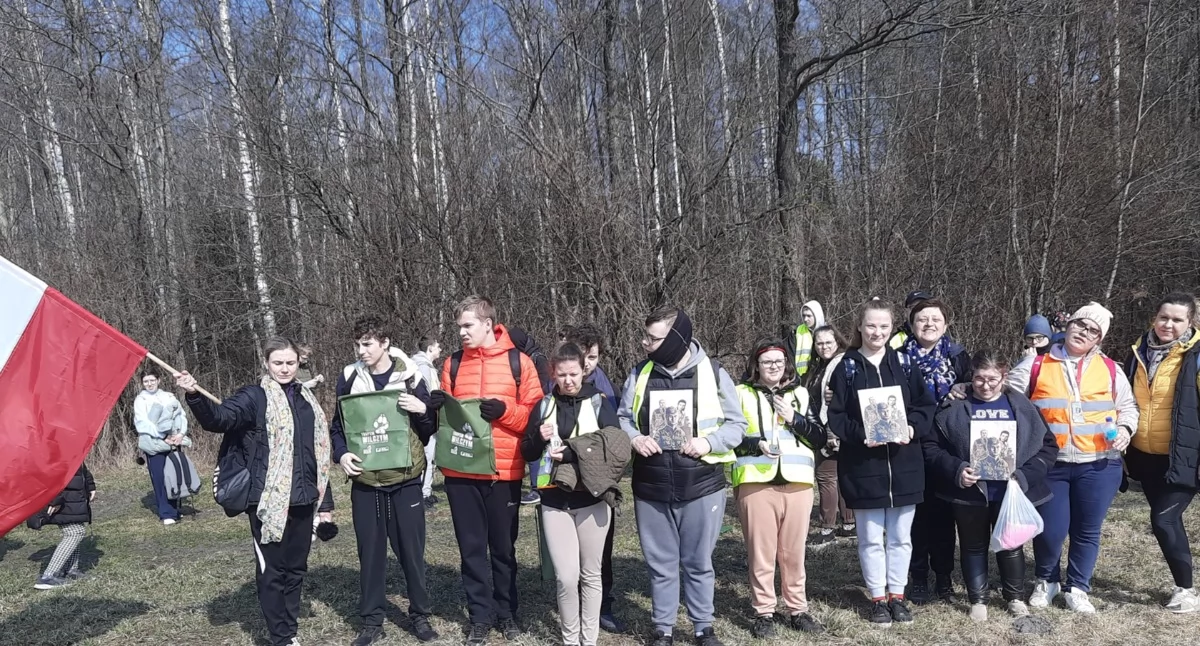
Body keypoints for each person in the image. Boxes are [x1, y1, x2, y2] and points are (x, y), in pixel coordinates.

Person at [178, 337, 335, 646]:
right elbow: (219, 420)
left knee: (296, 569)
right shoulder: (254, 397)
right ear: (266, 363)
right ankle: (281, 637)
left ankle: (289, 628)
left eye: (290, 363)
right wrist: (194, 394)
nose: (285, 368)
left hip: (304, 497)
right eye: (278, 363)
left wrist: (324, 500)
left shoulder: (307, 400)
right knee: (272, 571)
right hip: (267, 502)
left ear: (298, 363)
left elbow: (318, 453)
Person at [617, 307, 747, 646]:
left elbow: (737, 425)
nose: (646, 344)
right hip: (651, 486)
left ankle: (703, 627)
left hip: (702, 485)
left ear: (676, 339)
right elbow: (623, 418)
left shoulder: (714, 373)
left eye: (653, 338)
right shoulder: (640, 374)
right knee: (661, 563)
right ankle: (663, 629)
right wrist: (635, 438)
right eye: (645, 337)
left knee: (698, 562)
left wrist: (708, 442)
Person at [998, 302, 1138, 613]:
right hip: (1051, 464)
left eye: (1093, 331)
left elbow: (1128, 407)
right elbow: (1003, 395)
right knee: (1051, 528)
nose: (1084, 333)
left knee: (1087, 530)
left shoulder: (1111, 369)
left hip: (1100, 464)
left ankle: (1077, 587)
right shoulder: (1036, 365)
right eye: (1080, 325)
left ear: (1099, 338)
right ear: (1068, 326)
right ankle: (1046, 580)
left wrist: (1127, 428)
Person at [426, 296, 542, 646]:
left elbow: (536, 418)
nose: (461, 332)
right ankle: (480, 617)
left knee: (503, 549)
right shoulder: (453, 364)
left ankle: (507, 613)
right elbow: (446, 421)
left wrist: (505, 411)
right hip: (461, 473)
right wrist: (435, 409)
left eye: (468, 326)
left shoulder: (519, 362)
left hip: (503, 472)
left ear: (488, 324)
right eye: (458, 326)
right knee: (471, 549)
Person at [924, 350, 1058, 621]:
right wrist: (957, 470)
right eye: (979, 379)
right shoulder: (954, 407)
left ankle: (1015, 597)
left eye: (992, 379)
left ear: (1004, 377)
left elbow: (1048, 447)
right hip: (970, 493)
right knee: (973, 545)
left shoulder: (1022, 406)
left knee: (1011, 545)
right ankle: (978, 599)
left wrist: (1025, 476)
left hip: (1010, 492)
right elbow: (931, 447)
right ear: (970, 377)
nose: (985, 385)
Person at [827, 298, 937, 626]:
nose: (877, 332)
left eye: (884, 326)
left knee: (902, 536)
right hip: (864, 467)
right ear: (859, 327)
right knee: (871, 538)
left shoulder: (904, 363)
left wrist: (911, 428)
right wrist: (862, 435)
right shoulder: (845, 367)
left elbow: (924, 406)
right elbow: (836, 417)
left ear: (892, 328)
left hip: (905, 465)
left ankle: (897, 597)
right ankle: (877, 597)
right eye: (871, 325)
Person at [331, 317, 439, 645]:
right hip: (366, 483)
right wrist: (342, 455)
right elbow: (338, 427)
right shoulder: (349, 378)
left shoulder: (410, 376)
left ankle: (420, 616)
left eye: (368, 344)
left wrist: (422, 409)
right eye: (357, 344)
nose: (361, 351)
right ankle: (371, 621)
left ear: (385, 343)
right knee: (371, 553)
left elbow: (429, 428)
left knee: (411, 552)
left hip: (405, 479)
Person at [519, 342, 622, 646]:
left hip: (592, 498)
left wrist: (574, 454)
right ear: (553, 373)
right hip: (554, 500)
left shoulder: (600, 404)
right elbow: (526, 452)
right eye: (561, 375)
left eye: (573, 374)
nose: (568, 380)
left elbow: (617, 451)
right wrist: (538, 437)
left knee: (591, 574)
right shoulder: (543, 405)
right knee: (566, 577)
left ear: (583, 370)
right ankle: (569, 639)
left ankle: (588, 640)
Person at [733, 338, 827, 638]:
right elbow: (729, 438)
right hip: (756, 482)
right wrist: (754, 444)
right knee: (761, 552)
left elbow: (818, 438)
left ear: (787, 364)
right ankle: (764, 611)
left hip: (797, 482)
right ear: (755, 366)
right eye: (766, 362)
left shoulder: (799, 393)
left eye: (779, 361)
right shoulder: (740, 394)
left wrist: (794, 418)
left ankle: (797, 609)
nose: (773, 367)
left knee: (793, 552)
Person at [1124, 292, 1200, 613]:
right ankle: (1181, 584)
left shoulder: (1196, 356)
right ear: (1154, 317)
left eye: (1177, 319)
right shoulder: (1137, 352)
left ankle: (1187, 591)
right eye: (1164, 317)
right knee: (1166, 523)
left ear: (1190, 322)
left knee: (1163, 519)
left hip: (1184, 457)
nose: (1168, 324)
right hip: (1145, 456)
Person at [900, 298, 970, 603]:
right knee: (915, 516)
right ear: (912, 325)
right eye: (922, 320)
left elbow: (977, 390)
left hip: (946, 445)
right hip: (910, 444)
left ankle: (944, 577)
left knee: (943, 516)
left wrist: (965, 387)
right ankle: (917, 576)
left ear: (945, 324)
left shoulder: (958, 356)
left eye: (935, 319)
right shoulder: (898, 357)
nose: (929, 325)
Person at [560, 323, 624, 632]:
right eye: (582, 355)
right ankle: (570, 603)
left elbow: (614, 440)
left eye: (593, 357)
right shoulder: (556, 387)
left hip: (597, 482)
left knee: (601, 549)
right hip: (564, 482)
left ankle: (603, 606)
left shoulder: (605, 390)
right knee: (568, 554)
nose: (586, 364)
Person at [803, 325, 855, 546]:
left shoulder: (839, 364)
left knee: (826, 477)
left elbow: (838, 401)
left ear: (838, 342)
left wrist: (832, 432)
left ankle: (827, 529)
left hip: (832, 429)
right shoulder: (821, 366)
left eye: (827, 342)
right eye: (819, 343)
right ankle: (849, 524)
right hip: (828, 428)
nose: (823, 347)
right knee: (841, 476)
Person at [133, 371, 190, 525]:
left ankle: (175, 509)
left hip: (174, 442)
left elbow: (180, 415)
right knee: (159, 478)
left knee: (174, 476)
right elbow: (142, 423)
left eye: (152, 380)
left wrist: (180, 434)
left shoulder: (169, 396)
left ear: (159, 380)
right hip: (154, 445)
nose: (149, 384)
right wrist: (162, 435)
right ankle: (166, 513)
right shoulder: (141, 400)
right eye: (146, 381)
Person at [33, 463, 96, 590]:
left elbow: (79, 466)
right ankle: (48, 576)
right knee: (75, 532)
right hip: (62, 498)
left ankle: (71, 570)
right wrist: (54, 499)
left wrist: (90, 485)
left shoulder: (72, 445)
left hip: (73, 497)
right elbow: (47, 473)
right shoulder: (52, 445)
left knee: (77, 527)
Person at [413, 335, 443, 509]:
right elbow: (426, 395)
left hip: (430, 416)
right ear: (430, 348)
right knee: (427, 455)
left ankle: (427, 492)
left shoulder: (426, 366)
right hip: (425, 418)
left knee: (431, 456)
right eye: (438, 346)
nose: (440, 350)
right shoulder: (422, 367)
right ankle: (422, 495)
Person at [786, 300, 826, 378]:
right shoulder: (797, 332)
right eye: (804, 316)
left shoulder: (828, 333)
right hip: (799, 377)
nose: (805, 319)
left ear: (816, 315)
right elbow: (790, 356)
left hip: (821, 375)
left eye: (809, 316)